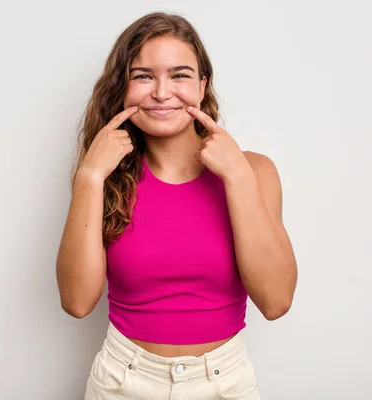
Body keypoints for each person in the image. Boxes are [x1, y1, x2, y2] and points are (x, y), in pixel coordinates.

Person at [56, 11, 298, 400]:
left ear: (202, 86)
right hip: (122, 381)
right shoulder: (105, 177)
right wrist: (89, 178)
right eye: (143, 76)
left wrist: (237, 177)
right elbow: (77, 302)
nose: (162, 92)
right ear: (123, 88)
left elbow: (276, 301)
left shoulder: (254, 170)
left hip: (226, 383)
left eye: (180, 75)